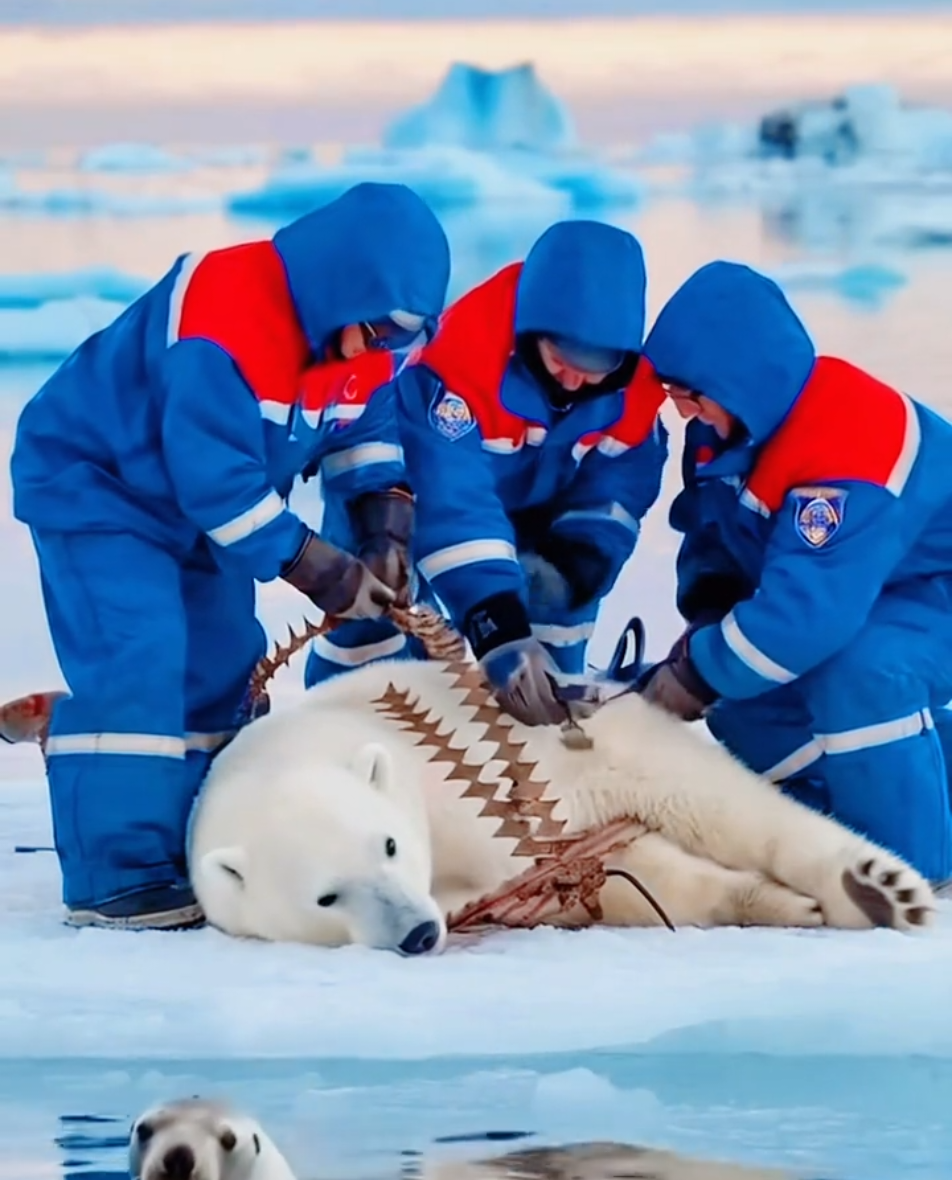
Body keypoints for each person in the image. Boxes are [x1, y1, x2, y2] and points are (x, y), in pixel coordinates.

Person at [8, 181, 451, 930]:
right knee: (139, 659)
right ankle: (117, 875)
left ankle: (198, 839)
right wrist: (321, 568)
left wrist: (384, 528)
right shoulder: (225, 322)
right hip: (100, 490)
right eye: (382, 331)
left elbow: (364, 434)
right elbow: (216, 483)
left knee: (224, 666)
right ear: (344, 289)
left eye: (403, 338)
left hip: (198, 510)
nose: (387, 351)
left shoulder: (362, 341)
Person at [638, 259, 952, 884]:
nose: (679, 413)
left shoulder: (850, 443)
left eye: (688, 396)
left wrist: (693, 673)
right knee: (740, 702)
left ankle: (909, 870)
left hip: (932, 593)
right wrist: (708, 611)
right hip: (871, 592)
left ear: (738, 378)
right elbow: (712, 530)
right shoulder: (728, 428)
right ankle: (828, 829)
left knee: (859, 673)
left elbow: (808, 620)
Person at [304, 219, 669, 728]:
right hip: (403, 499)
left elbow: (621, 485)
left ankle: (551, 767)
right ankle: (337, 745)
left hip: (539, 508)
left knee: (558, 622)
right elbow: (451, 498)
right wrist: (495, 625)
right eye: (562, 358)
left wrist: (584, 552)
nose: (576, 378)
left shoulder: (635, 391)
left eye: (597, 365)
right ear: (533, 329)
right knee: (372, 626)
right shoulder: (458, 361)